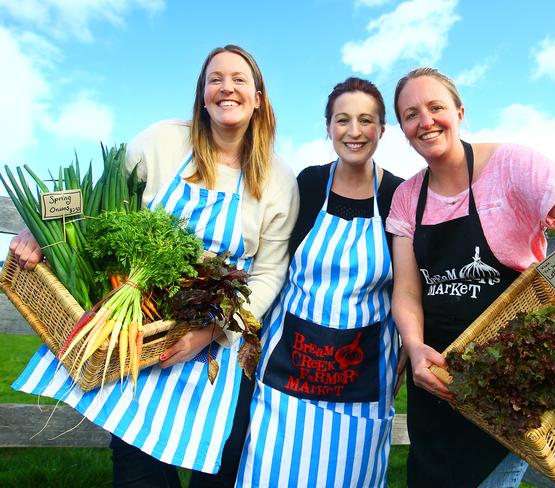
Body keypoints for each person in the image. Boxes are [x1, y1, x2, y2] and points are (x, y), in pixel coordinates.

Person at [11, 44, 299, 487]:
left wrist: (211, 332)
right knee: (138, 471)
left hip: (218, 347)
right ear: (202, 95)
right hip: (142, 338)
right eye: (215, 79)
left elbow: (268, 274)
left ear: (258, 97)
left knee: (219, 469)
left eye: (240, 79)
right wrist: (43, 223)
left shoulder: (278, 180)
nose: (227, 87)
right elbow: (96, 193)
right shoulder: (163, 140)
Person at [386, 67, 555, 488]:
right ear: (402, 128)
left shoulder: (512, 165)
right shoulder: (406, 197)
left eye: (436, 107)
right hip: (437, 384)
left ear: (459, 111)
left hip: (508, 392)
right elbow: (406, 289)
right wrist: (414, 347)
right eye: (411, 114)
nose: (426, 121)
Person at [235, 77, 403, 487]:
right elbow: (272, 258)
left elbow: (406, 288)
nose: (354, 131)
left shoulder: (399, 195)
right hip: (287, 370)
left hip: (361, 380)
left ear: (382, 129)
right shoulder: (309, 184)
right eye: (342, 120)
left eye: (366, 120)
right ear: (328, 127)